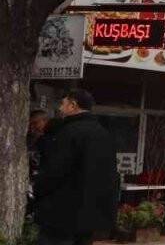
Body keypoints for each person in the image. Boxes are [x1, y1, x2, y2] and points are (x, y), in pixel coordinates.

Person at [32, 90, 119, 245]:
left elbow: (55, 171)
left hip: (61, 213)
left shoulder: (68, 133)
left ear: (73, 105)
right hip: (90, 215)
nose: (60, 108)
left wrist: (37, 189)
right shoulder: (104, 134)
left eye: (63, 104)